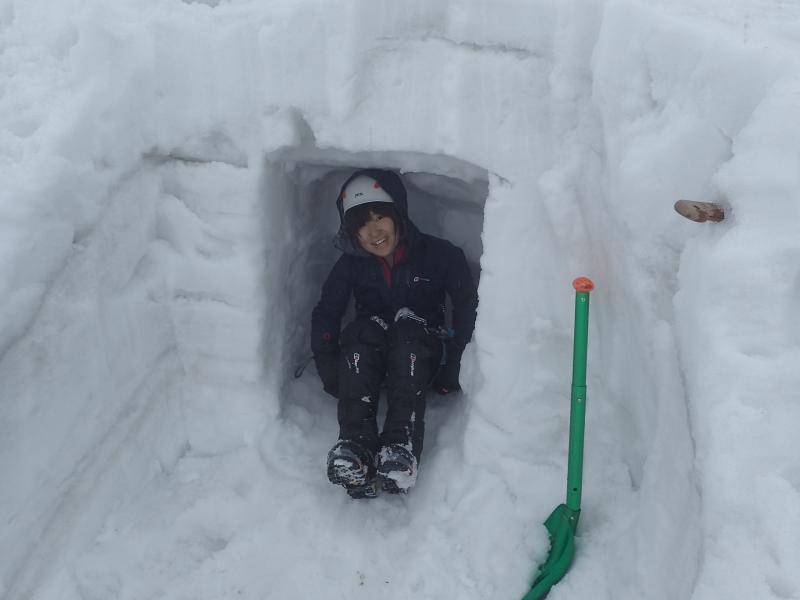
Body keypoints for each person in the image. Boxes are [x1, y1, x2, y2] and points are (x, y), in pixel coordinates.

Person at [311, 168, 478, 498]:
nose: (374, 231)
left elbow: (467, 309)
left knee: (408, 331)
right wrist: (331, 371)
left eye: (380, 217)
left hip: (421, 356)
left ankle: (400, 448)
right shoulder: (351, 265)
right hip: (369, 360)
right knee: (362, 332)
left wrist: (455, 367)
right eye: (362, 224)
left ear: (398, 213)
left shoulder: (440, 255)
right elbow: (326, 313)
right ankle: (355, 448)